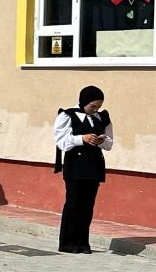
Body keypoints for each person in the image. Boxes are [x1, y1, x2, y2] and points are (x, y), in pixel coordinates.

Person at [55, 85, 113, 254]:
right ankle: (68, 242)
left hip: (94, 166)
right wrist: (82, 138)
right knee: (73, 204)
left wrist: (102, 141)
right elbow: (61, 142)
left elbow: (110, 142)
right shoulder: (68, 115)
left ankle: (83, 243)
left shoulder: (102, 118)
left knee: (87, 206)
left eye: (98, 106)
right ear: (83, 102)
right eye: (92, 106)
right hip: (75, 165)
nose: (95, 109)